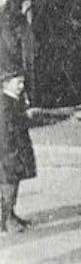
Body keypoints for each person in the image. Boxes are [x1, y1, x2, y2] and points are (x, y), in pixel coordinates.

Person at [0, 70, 35, 233]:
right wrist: (25, 117)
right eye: (18, 83)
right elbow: (6, 130)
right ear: (6, 84)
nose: (22, 86)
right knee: (9, 186)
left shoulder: (12, 101)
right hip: (9, 152)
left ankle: (10, 216)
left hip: (13, 150)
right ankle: (7, 220)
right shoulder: (5, 104)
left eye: (23, 83)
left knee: (13, 184)